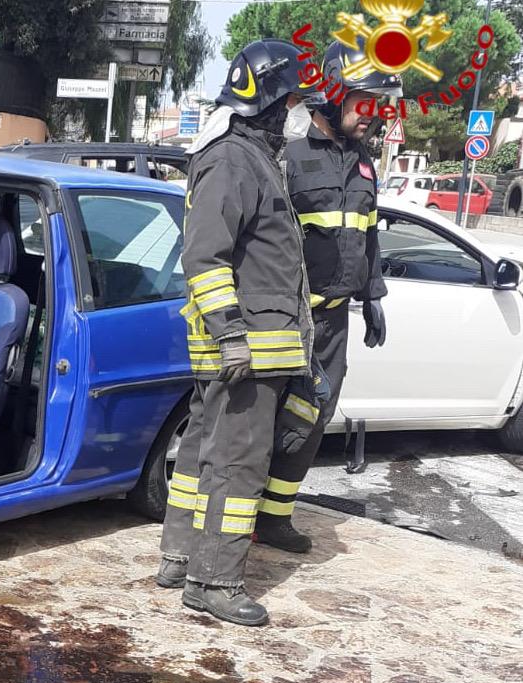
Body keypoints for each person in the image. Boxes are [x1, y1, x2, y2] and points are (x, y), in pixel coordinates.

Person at [156, 39, 326, 627]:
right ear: (273, 102)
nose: (299, 112)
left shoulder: (252, 156)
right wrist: (231, 334)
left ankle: (180, 557)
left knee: (204, 458)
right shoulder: (233, 159)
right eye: (294, 101)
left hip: (253, 346)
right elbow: (204, 257)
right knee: (237, 465)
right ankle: (215, 581)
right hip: (246, 350)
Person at [254, 39, 397, 553]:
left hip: (333, 323)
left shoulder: (362, 163)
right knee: (258, 420)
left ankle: (275, 516)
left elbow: (368, 232)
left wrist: (372, 296)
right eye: (365, 101)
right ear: (331, 96)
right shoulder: (286, 157)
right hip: (284, 320)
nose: (375, 115)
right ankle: (231, 524)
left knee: (312, 417)